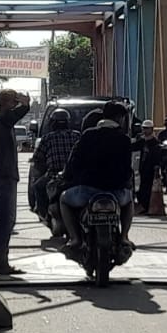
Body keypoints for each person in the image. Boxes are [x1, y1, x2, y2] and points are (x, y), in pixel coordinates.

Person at [59, 101, 135, 259]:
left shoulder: (88, 135)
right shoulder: (124, 139)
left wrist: (68, 178)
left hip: (86, 191)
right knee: (129, 202)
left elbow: (74, 162)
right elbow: (128, 169)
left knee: (64, 200)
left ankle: (74, 239)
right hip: (116, 193)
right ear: (120, 118)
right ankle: (124, 237)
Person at [0, 89, 32, 275]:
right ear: (5, 104)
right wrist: (25, 105)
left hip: (0, 174)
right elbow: (15, 115)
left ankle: (0, 260)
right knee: (6, 220)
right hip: (3, 176)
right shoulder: (3, 120)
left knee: (2, 220)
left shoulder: (0, 123)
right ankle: (1, 262)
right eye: (13, 101)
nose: (15, 105)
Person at [30, 109, 81, 237]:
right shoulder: (77, 135)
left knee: (37, 186)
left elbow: (37, 159)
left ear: (52, 123)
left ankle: (45, 216)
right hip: (75, 177)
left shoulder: (47, 138)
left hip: (54, 176)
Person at [132, 119, 162, 213]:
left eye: (147, 129)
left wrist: (157, 166)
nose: (145, 130)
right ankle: (142, 205)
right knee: (141, 188)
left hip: (151, 168)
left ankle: (147, 206)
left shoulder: (155, 142)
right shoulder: (142, 141)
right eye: (144, 128)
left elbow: (158, 156)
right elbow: (133, 147)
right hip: (142, 167)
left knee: (148, 188)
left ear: (152, 129)